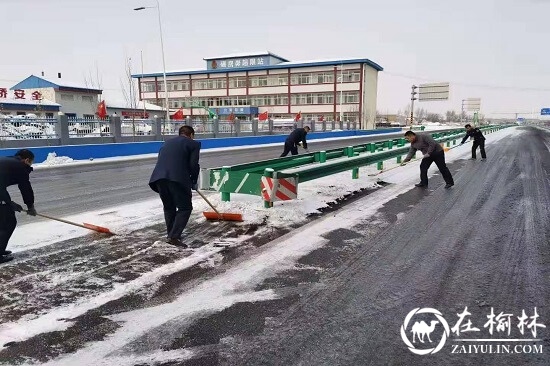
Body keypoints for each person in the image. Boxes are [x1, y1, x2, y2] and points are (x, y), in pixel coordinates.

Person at [149, 125, 201, 247]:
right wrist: (193, 180)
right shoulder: (193, 144)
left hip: (159, 178)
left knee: (169, 207)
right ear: (191, 135)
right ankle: (174, 237)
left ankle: (171, 234)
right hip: (177, 179)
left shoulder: (167, 143)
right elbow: (193, 165)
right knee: (185, 208)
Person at [0, 149, 37, 264]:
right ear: (26, 160)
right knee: (8, 222)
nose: (30, 166)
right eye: (31, 163)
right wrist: (30, 206)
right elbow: (25, 187)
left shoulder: (8, 161)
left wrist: (8, 202)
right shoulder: (20, 167)